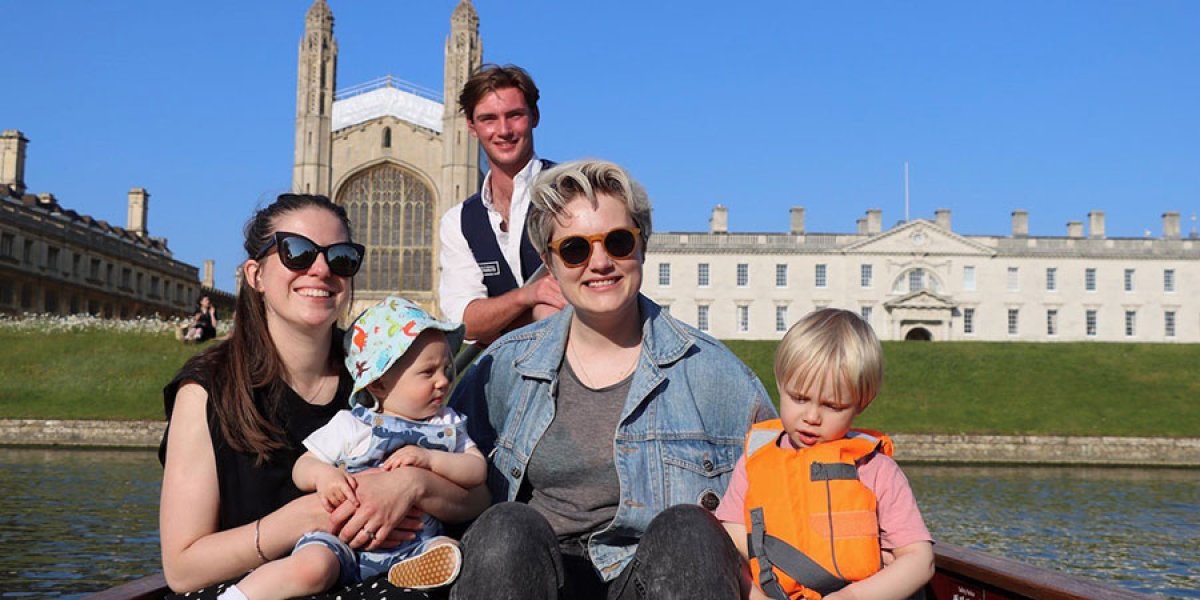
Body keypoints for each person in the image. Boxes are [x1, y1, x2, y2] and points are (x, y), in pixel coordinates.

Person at [448, 160, 778, 599]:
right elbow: (438, 455)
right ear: (549, 262)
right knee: (506, 527)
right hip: (536, 578)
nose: (600, 263)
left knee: (689, 531)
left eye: (619, 242)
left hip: (653, 579)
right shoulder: (502, 368)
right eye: (575, 250)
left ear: (642, 247)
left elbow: (787, 487)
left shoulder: (716, 375)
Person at [158, 193, 482, 599]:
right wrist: (302, 518)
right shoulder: (208, 389)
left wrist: (414, 484)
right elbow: (183, 569)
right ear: (255, 275)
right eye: (297, 253)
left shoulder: (383, 374)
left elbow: (479, 498)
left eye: (341, 258)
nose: (321, 269)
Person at [219, 297, 485, 599]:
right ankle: (237, 596)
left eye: (448, 369)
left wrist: (431, 459)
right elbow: (303, 466)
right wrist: (325, 478)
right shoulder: (354, 425)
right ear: (379, 384)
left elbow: (476, 469)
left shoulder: (446, 423)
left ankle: (411, 571)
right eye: (428, 372)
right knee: (311, 568)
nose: (443, 382)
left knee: (448, 549)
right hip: (342, 542)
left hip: (416, 543)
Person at [717, 308, 935, 600]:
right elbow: (730, 545)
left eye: (832, 406)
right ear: (781, 384)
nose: (811, 416)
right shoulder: (755, 463)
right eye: (799, 398)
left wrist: (852, 597)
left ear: (861, 403)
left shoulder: (875, 470)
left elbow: (920, 560)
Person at [438, 64, 566, 345]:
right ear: (471, 127)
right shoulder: (459, 221)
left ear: (535, 116)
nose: (504, 130)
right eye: (488, 119)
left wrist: (497, 319)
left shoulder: (569, 193)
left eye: (515, 115)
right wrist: (527, 296)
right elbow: (465, 323)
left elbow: (572, 303)